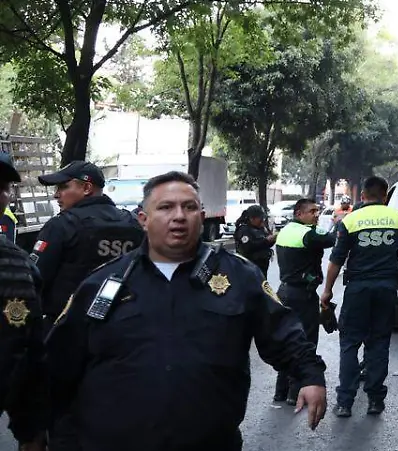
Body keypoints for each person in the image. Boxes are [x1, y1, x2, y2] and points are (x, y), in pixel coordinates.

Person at [46, 171, 327, 451]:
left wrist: (310, 376)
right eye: (166, 207)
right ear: (143, 220)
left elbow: (282, 331)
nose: (179, 216)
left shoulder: (240, 277)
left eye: (189, 207)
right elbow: (59, 365)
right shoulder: (103, 283)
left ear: (202, 217)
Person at [321, 176, 398, 417]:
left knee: (350, 343)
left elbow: (336, 260)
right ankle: (375, 401)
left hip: (358, 289)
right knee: (378, 343)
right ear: (385, 195)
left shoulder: (350, 220)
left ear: (362, 196)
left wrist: (327, 291)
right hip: (386, 289)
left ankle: (345, 403)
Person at [30, 161, 143, 322]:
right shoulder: (132, 223)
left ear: (86, 188)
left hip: (68, 326)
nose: (56, 194)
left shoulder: (61, 225)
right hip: (121, 324)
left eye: (63, 187)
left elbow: (35, 277)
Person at [0, 152, 48, 451]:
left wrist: (30, 429)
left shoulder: (19, 266)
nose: (1, 195)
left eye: (3, 187)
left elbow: (28, 350)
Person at [273, 198, 336, 405]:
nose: (317, 214)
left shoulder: (286, 230)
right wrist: (337, 222)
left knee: (285, 340)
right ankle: (295, 392)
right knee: (305, 342)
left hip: (284, 292)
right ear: (299, 214)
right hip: (302, 296)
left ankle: (280, 391)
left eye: (318, 211)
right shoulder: (307, 233)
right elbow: (331, 239)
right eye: (312, 211)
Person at [234, 204, 274, 277]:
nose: (262, 220)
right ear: (252, 218)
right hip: (250, 267)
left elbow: (267, 244)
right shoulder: (244, 230)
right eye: (260, 218)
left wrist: (272, 239)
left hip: (262, 265)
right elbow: (248, 246)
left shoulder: (261, 228)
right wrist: (266, 241)